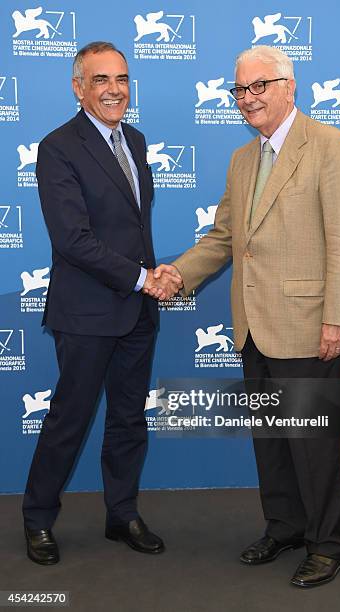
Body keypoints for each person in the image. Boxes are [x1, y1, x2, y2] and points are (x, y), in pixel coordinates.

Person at [151, 46, 340, 587]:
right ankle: (286, 526)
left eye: (259, 87)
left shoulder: (330, 147)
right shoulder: (243, 160)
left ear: (289, 86)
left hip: (309, 325)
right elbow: (225, 237)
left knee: (313, 446)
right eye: (240, 90)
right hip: (253, 325)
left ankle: (329, 542)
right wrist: (179, 274)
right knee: (270, 441)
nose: (248, 99)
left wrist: (338, 317)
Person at [22, 41, 181, 565]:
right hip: (88, 312)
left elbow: (135, 226)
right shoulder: (58, 147)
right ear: (78, 87)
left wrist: (150, 282)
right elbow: (73, 239)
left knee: (129, 420)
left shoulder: (134, 140)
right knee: (69, 419)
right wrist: (142, 280)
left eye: (121, 79)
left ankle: (122, 513)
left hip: (137, 312)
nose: (114, 89)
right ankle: (38, 519)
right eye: (100, 80)